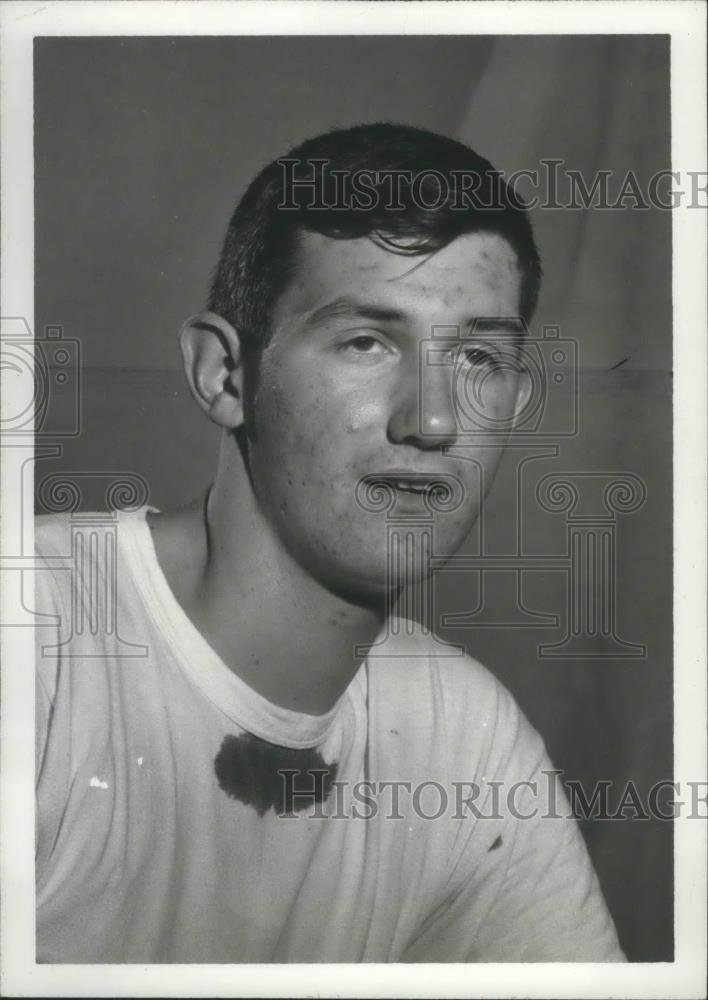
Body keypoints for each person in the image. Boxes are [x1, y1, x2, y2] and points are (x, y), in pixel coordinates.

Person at [34, 123, 625, 963]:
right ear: (225, 375)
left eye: (478, 358)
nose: (432, 421)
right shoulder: (38, 649)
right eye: (366, 342)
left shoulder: (462, 735)